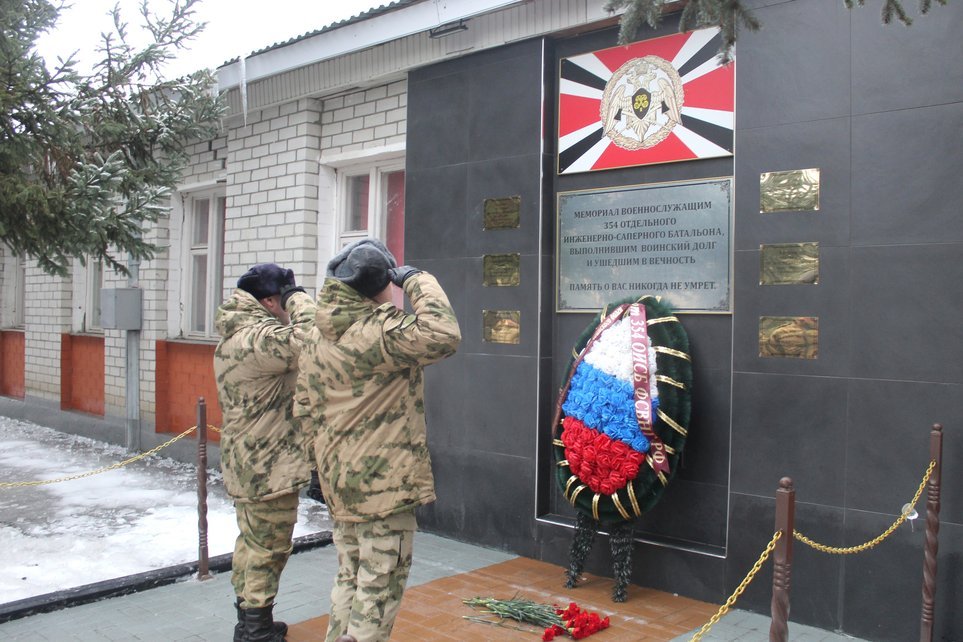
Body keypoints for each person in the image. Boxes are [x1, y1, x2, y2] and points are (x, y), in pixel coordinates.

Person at [295, 239, 461, 642]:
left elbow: (304, 403)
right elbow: (443, 333)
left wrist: (316, 466)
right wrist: (419, 280)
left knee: (351, 573)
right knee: (380, 582)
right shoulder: (378, 330)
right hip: (381, 486)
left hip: (340, 480)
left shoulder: (319, 334)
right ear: (383, 283)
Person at [214, 263, 316, 642]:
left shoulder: (236, 334)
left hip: (248, 459)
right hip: (267, 465)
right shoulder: (259, 339)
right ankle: (255, 631)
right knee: (268, 549)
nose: (289, 306)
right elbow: (314, 336)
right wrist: (301, 299)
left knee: (251, 543)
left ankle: (250, 619)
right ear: (272, 301)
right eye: (285, 298)